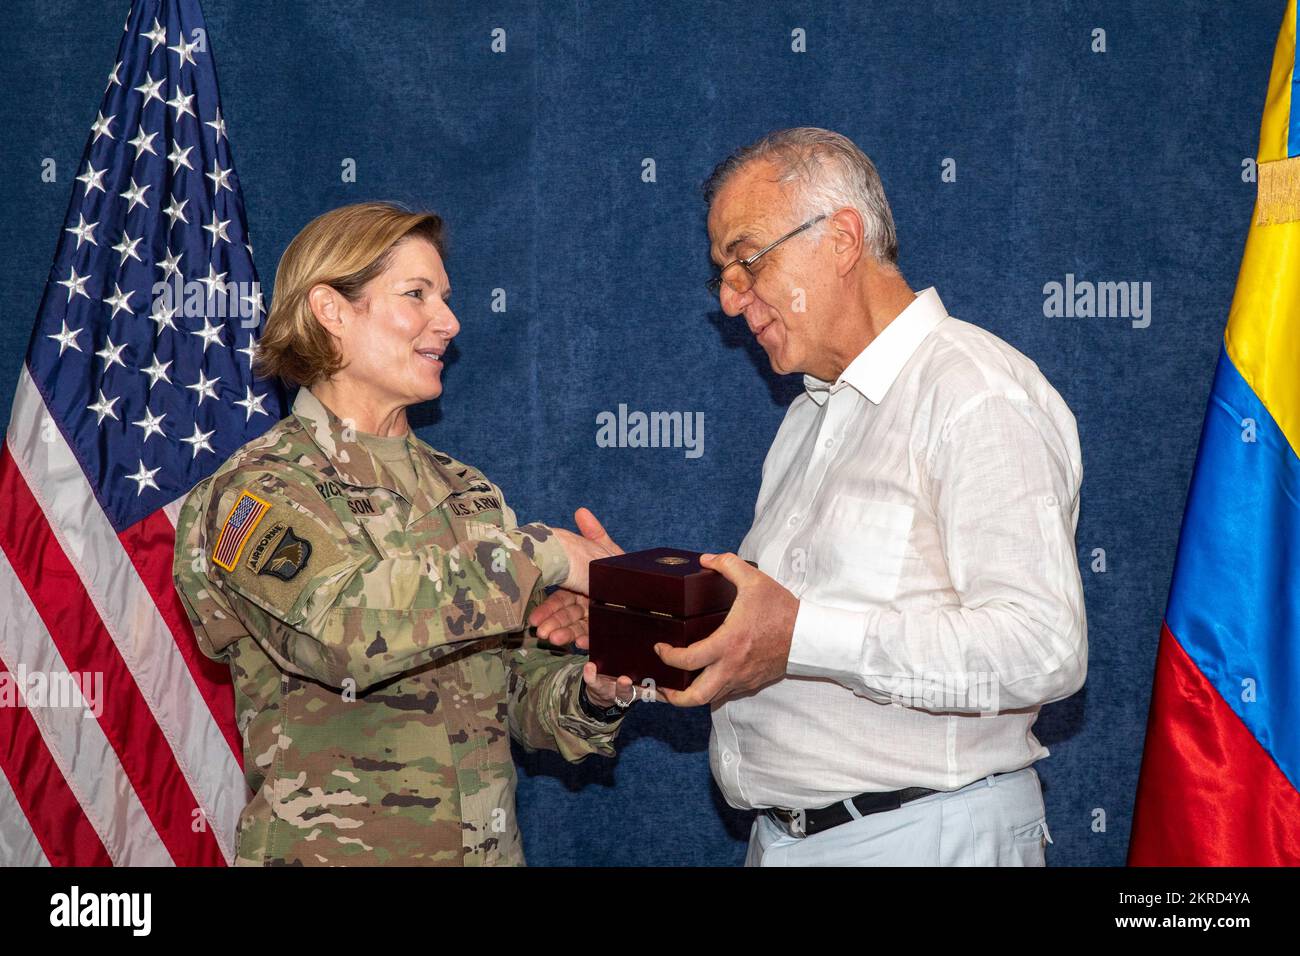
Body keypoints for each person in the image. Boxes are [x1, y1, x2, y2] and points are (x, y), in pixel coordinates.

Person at [534, 127, 1087, 866]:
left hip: (926, 839)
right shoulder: (808, 416)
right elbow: (779, 642)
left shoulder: (972, 392)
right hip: (789, 841)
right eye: (722, 275)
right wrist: (638, 614)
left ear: (842, 238)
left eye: (747, 259)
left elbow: (1042, 649)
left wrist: (801, 632)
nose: (732, 300)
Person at [173, 201, 633, 866]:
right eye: (416, 295)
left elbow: (518, 696)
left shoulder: (468, 492)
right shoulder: (257, 491)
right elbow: (346, 633)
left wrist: (596, 684)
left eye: (445, 298)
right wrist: (550, 553)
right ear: (330, 309)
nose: (448, 322)